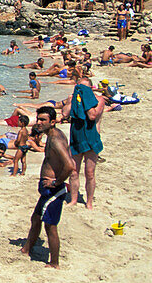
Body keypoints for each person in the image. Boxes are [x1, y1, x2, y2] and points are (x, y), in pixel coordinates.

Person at [21, 106, 76, 268]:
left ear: (52, 122)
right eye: (38, 119)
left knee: (50, 227)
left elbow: (69, 165)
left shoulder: (56, 140)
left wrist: (56, 182)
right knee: (36, 218)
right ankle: (27, 248)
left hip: (53, 190)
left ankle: (54, 262)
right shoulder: (52, 136)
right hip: (48, 189)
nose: (39, 122)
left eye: (43, 120)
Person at [68, 76, 105, 209]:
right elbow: (65, 113)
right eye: (79, 87)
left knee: (89, 172)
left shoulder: (99, 100)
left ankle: (89, 202)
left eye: (84, 88)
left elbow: (92, 115)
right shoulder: (74, 100)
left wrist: (85, 97)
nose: (81, 91)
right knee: (73, 171)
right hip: (76, 138)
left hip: (91, 138)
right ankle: (73, 199)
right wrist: (71, 100)